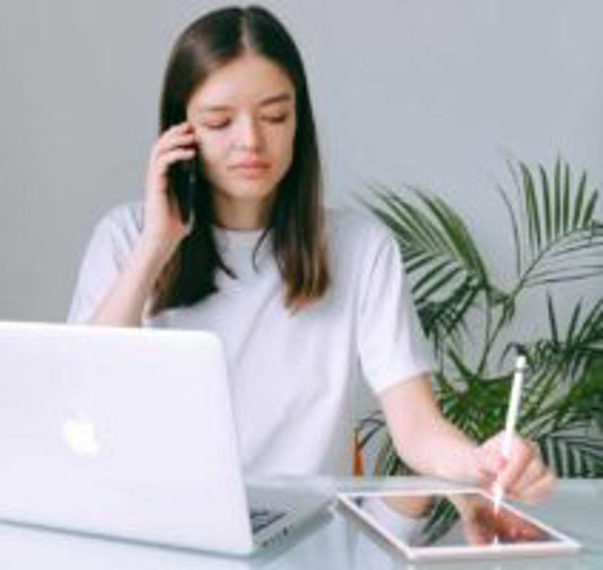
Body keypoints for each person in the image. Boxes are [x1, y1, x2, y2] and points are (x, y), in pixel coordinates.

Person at [67, 5, 553, 502]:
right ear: (179, 134)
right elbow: (82, 398)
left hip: (308, 536)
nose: (251, 141)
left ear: (299, 121)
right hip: (160, 524)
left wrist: (482, 462)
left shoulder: (361, 248)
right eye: (218, 122)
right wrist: (156, 245)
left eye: (275, 116)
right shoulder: (126, 237)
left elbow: (417, 430)